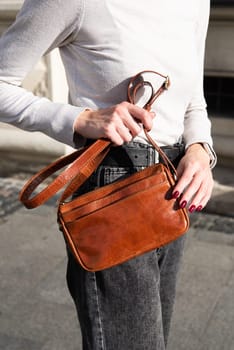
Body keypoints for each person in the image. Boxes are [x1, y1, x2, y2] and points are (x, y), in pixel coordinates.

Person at [0, 1, 217, 349]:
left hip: (174, 188)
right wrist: (79, 119)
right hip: (111, 187)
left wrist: (200, 150)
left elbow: (193, 98)